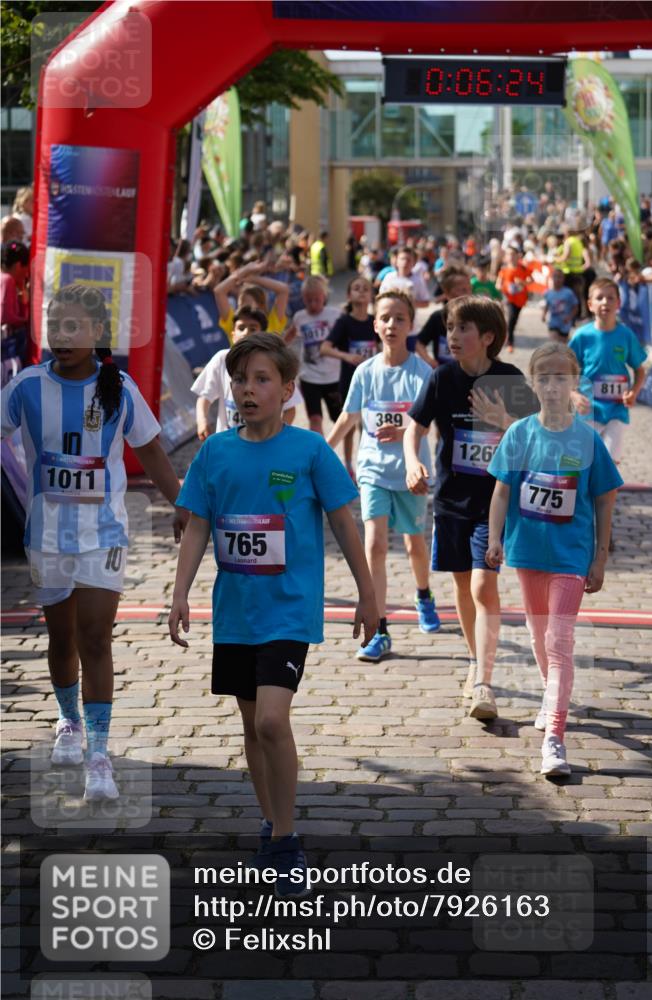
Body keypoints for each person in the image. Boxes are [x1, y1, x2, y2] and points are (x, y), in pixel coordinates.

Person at [169, 332, 377, 896]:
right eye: (240, 380)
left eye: (262, 379)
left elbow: (343, 523)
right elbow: (197, 527)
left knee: (270, 721)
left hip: (288, 611)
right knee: (250, 725)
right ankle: (270, 821)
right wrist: (180, 590)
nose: (247, 389)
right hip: (235, 613)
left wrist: (368, 592)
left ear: (288, 390)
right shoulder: (214, 452)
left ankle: (285, 839)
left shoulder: (309, 450)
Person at [0, 283, 186, 799]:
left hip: (104, 535)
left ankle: (99, 754)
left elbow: (150, 451)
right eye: (54, 326)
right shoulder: (26, 387)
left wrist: (183, 505)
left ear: (98, 332)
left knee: (96, 637)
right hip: (46, 538)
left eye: (73, 326)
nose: (62, 336)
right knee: (61, 640)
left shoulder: (119, 388)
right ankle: (68, 721)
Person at [486, 343, 622, 776]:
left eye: (560, 376)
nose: (551, 384)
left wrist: (599, 558)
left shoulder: (587, 439)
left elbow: (605, 499)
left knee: (558, 643)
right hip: (528, 552)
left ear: (575, 381)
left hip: (571, 556)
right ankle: (551, 696)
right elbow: (502, 490)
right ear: (532, 383)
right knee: (537, 634)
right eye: (543, 377)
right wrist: (494, 538)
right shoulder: (520, 434)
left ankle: (554, 739)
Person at [405, 296, 538, 719]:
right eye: (449, 329)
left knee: (483, 586)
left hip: (493, 503)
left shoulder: (510, 379)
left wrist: (506, 423)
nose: (452, 337)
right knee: (463, 587)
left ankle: (483, 681)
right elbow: (416, 426)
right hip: (450, 500)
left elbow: (542, 434)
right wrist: (412, 461)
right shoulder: (442, 378)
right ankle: (475, 660)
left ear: (488, 337)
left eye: (462, 329)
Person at [327, 290, 440, 661]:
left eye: (400, 319)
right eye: (385, 318)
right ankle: (380, 628)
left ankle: (423, 594)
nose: (392, 325)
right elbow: (350, 417)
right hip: (373, 469)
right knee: (373, 544)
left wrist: (408, 425)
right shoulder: (365, 371)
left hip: (410, 473)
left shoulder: (422, 373)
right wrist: (323, 450)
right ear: (375, 325)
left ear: (411, 325)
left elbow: (431, 420)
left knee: (414, 544)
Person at [569, 278, 647, 471]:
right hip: (588, 410)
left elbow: (639, 369)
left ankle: (605, 500)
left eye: (611, 298)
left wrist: (634, 392)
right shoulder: (581, 336)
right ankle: (583, 499)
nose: (605, 302)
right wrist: (573, 394)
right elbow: (565, 370)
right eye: (600, 298)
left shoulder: (626, 335)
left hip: (617, 410)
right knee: (583, 464)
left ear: (618, 303)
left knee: (610, 466)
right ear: (590, 305)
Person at [192, 306, 301, 438]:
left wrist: (275, 437)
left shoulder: (273, 362)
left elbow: (290, 409)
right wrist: (202, 420)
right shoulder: (221, 359)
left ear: (262, 334)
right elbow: (205, 396)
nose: (246, 332)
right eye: (241, 328)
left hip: (261, 446)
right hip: (229, 445)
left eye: (261, 378)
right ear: (232, 334)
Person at [320, 275, 377, 480]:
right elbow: (324, 348)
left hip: (374, 382)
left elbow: (382, 347)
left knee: (369, 424)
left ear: (371, 295)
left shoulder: (375, 321)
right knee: (350, 425)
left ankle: (366, 462)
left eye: (365, 288)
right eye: (356, 288)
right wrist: (347, 356)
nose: (361, 291)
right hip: (350, 381)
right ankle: (348, 466)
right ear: (348, 295)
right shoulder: (344, 322)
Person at [290, 275, 342, 435]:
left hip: (333, 377)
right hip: (309, 377)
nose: (313, 304)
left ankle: (338, 455)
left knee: (339, 418)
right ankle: (318, 453)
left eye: (317, 300)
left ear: (324, 297)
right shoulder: (300, 317)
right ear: (302, 299)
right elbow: (289, 336)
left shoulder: (335, 315)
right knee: (315, 419)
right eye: (308, 300)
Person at [214, 261, 289, 338]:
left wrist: (253, 279)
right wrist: (245, 270)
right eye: (241, 305)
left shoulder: (272, 323)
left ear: (261, 306)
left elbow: (283, 290)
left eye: (253, 329)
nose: (246, 332)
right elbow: (219, 292)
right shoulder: (235, 323)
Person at [415, 269, 472, 370]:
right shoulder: (438, 317)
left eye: (469, 289)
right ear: (447, 293)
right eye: (462, 290)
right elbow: (419, 343)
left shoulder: (477, 317)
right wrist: (429, 361)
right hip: (445, 374)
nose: (468, 294)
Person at [1, 241, 30, 385]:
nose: (27, 274)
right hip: (6, 348)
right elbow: (5, 316)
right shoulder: (7, 280)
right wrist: (25, 317)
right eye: (26, 268)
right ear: (19, 265)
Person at [496, 245, 529, 353]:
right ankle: (510, 342)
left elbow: (531, 280)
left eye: (512, 254)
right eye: (508, 254)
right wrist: (503, 287)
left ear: (517, 256)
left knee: (514, 320)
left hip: (520, 299)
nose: (510, 256)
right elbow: (498, 285)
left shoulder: (523, 268)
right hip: (508, 298)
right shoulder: (504, 270)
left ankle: (508, 336)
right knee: (510, 319)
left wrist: (522, 283)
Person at [541, 268, 579, 342]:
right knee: (554, 342)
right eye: (555, 276)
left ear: (563, 279)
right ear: (551, 278)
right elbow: (547, 305)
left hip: (565, 323)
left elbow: (575, 307)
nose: (557, 279)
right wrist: (544, 314)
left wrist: (569, 317)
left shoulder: (568, 293)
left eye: (560, 277)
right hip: (553, 322)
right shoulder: (548, 293)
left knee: (562, 345)